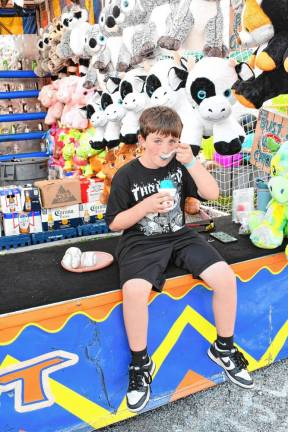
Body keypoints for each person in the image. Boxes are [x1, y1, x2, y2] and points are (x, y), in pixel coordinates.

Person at [105, 106, 254, 413]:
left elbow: (212, 192)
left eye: (172, 141)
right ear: (142, 140)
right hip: (140, 240)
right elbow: (114, 223)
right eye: (158, 141)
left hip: (179, 235)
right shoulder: (126, 175)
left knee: (225, 277)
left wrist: (192, 162)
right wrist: (145, 205)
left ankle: (223, 348)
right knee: (134, 291)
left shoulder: (180, 164)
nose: (165, 149)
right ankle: (140, 364)